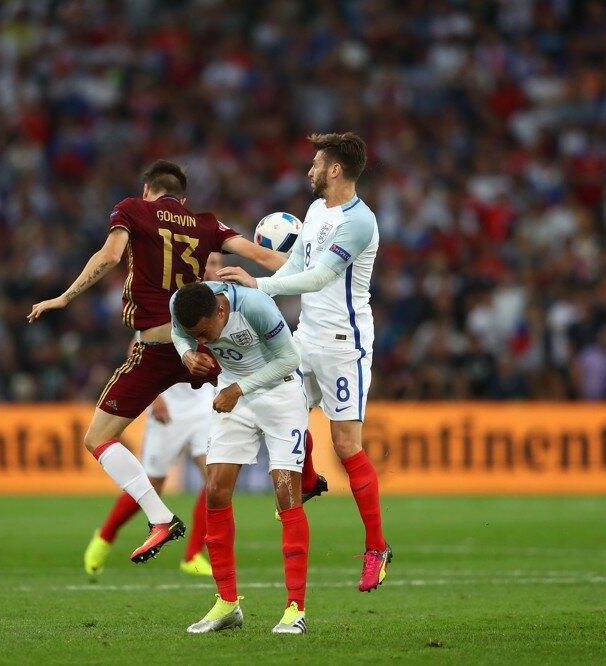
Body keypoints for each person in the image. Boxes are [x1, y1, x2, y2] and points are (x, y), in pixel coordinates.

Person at [28, 160, 284, 564]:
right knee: (273, 384)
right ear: (182, 199)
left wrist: (64, 297)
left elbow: (110, 257)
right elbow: (263, 257)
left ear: (148, 189)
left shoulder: (132, 209)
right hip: (203, 345)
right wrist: (321, 275)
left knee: (97, 438)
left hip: (156, 349)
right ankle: (302, 474)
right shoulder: (206, 225)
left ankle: (160, 519)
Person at [217, 132, 391, 592]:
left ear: (336, 170)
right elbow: (295, 265)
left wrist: (257, 288)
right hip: (306, 336)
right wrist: (253, 278)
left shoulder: (359, 223)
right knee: (285, 405)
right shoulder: (315, 211)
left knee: (346, 445)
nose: (309, 170)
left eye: (316, 163)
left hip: (343, 344)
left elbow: (317, 279)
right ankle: (310, 480)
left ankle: (377, 547)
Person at [171, 281, 310, 635]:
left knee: (286, 495)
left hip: (280, 395)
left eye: (204, 333)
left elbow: (289, 359)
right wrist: (187, 353)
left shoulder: (255, 307)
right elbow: (180, 336)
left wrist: (238, 388)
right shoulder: (181, 304)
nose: (203, 341)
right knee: (215, 490)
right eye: (195, 335)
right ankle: (227, 604)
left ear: (220, 310)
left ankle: (295, 610)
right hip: (233, 396)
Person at [83, 254, 228, 577]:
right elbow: (139, 349)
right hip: (168, 410)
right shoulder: (174, 301)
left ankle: (192, 556)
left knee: (216, 479)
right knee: (152, 486)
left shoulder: (221, 306)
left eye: (219, 263)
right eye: (212, 262)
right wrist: (156, 397)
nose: (216, 268)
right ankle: (104, 538)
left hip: (202, 404)